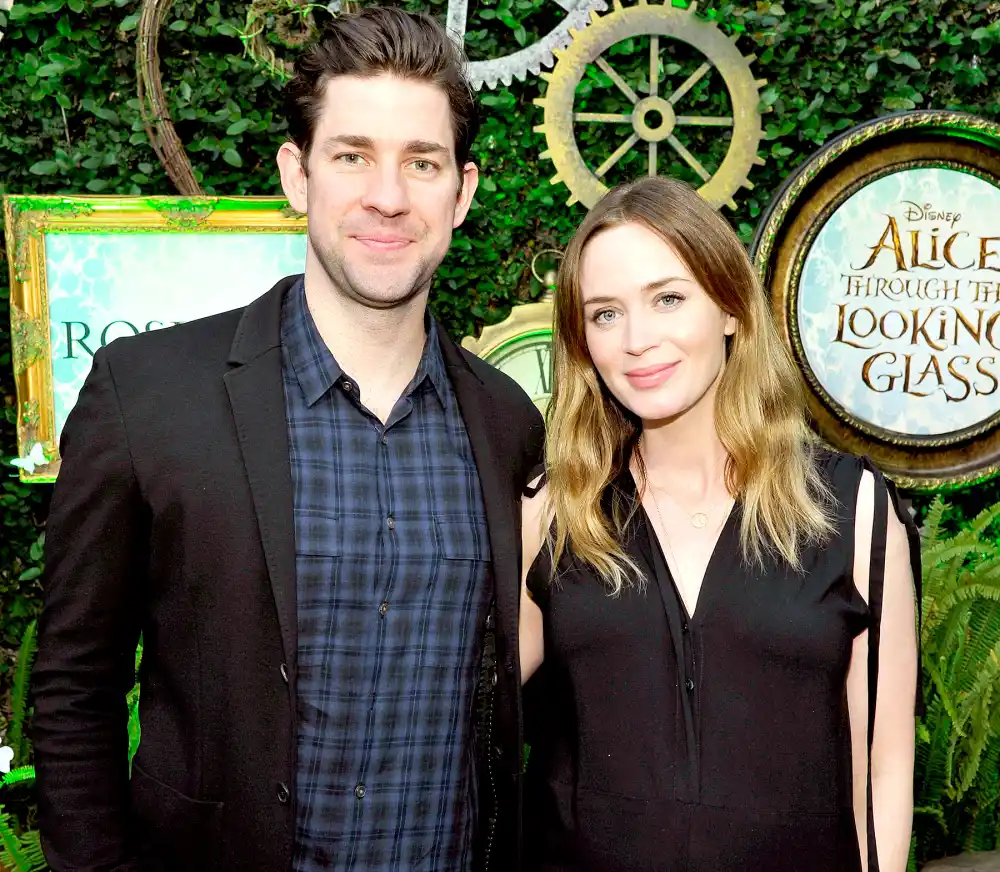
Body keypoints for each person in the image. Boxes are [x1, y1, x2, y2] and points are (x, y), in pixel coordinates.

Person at [31, 8, 544, 872]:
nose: (388, 195)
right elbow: (75, 686)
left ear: (462, 191)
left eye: (422, 163)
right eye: (352, 156)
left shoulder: (506, 425)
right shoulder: (148, 395)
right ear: (297, 176)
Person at [518, 176, 919, 872]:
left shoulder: (851, 509)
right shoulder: (554, 509)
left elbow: (881, 764)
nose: (638, 340)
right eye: (605, 314)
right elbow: (465, 718)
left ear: (731, 308)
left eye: (668, 299)